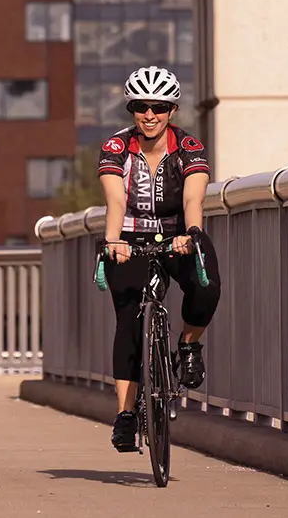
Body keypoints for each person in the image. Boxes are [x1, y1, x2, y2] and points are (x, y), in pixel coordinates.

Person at [98, 65, 221, 453]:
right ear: (132, 109)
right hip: (130, 237)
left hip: (177, 233)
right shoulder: (116, 148)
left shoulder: (189, 147)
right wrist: (112, 241)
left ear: (172, 111)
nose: (150, 115)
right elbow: (116, 199)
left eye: (159, 107)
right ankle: (126, 414)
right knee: (129, 319)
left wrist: (191, 234)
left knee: (206, 284)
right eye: (141, 107)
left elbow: (193, 197)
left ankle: (188, 344)